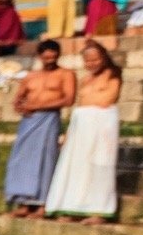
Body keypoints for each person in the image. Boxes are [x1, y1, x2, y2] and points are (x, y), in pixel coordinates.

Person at [43, 41, 124, 222]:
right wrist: (69, 132)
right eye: (88, 61)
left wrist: (92, 107)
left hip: (102, 123)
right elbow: (80, 103)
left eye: (95, 60)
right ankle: (72, 207)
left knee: (100, 166)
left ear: (103, 58)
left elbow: (109, 98)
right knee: (77, 166)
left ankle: (98, 212)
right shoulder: (85, 79)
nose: (91, 64)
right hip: (81, 125)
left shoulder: (113, 74)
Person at [5, 40, 74, 218]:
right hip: (28, 122)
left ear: (58, 55)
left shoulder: (66, 74)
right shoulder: (30, 76)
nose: (50, 60)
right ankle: (24, 204)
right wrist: (20, 106)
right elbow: (18, 99)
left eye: (53, 56)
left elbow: (68, 99)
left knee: (45, 159)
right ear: (40, 56)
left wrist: (39, 106)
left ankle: (43, 205)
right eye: (46, 57)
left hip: (49, 119)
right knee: (21, 160)